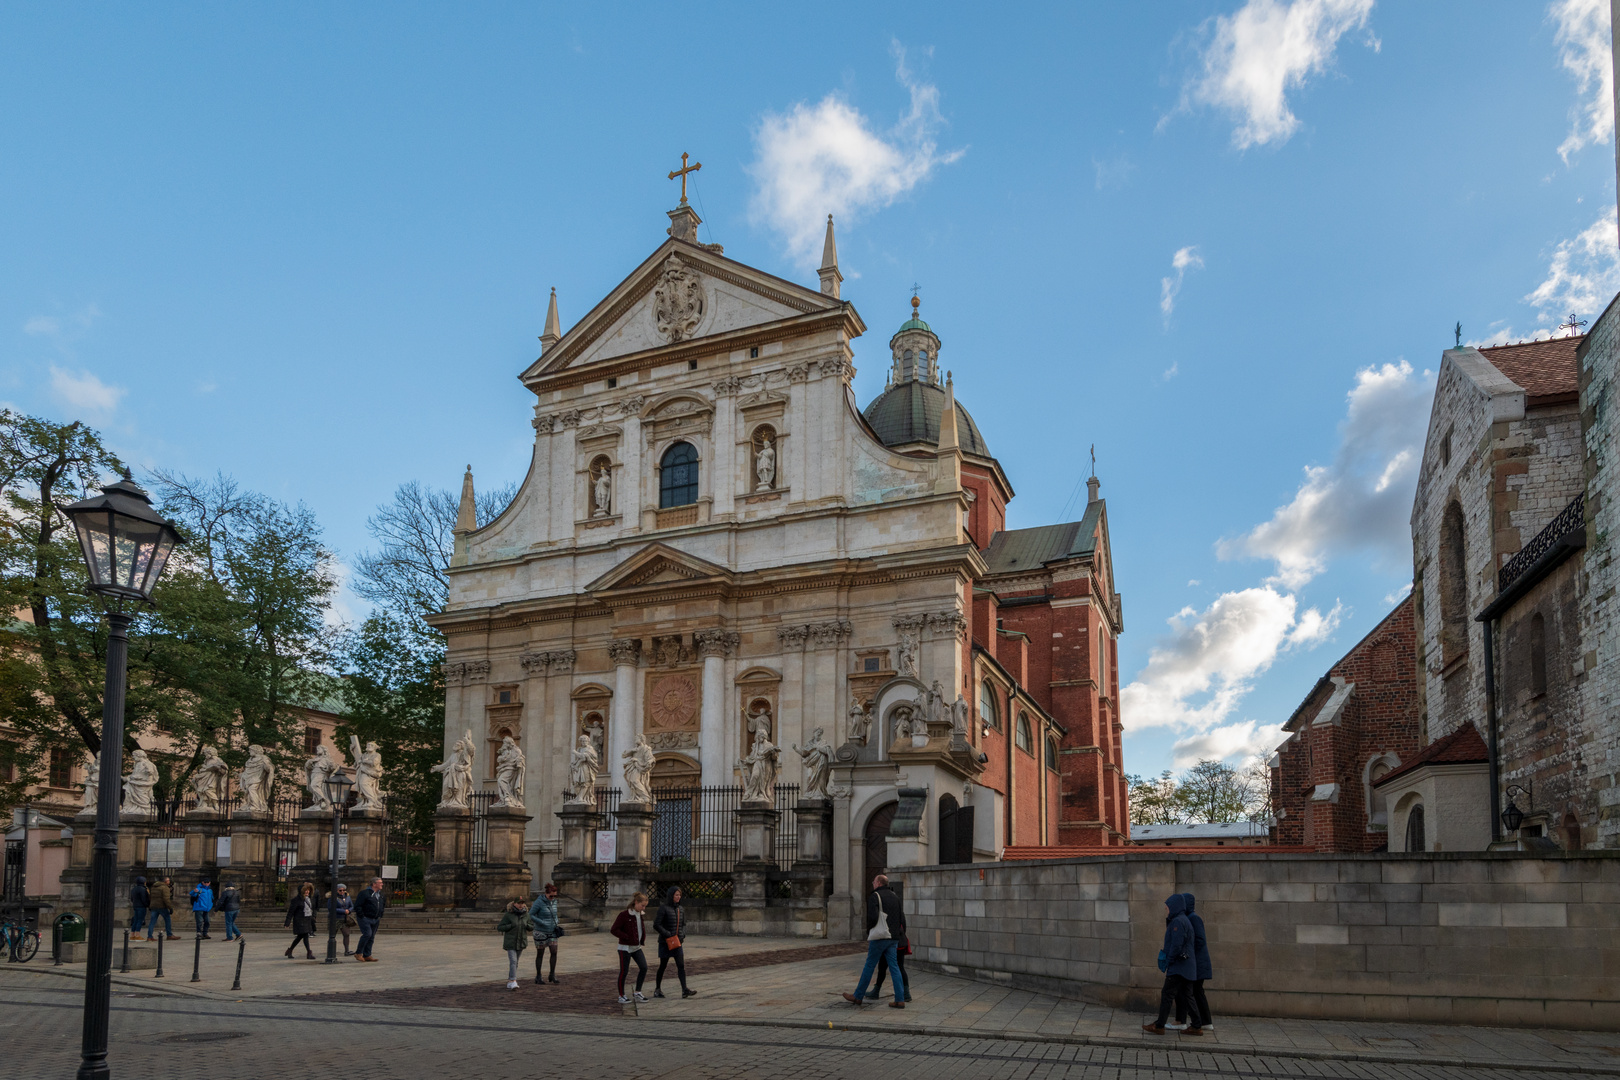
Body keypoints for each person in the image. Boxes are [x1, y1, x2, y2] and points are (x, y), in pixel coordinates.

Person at [842, 874, 906, 1009]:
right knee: (894, 968)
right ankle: (900, 999)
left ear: (878, 883)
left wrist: (869, 931)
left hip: (880, 937)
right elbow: (902, 918)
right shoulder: (895, 897)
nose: (872, 883)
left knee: (869, 965)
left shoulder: (875, 896)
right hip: (893, 937)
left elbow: (873, 917)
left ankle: (858, 996)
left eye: (873, 881)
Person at [1143, 893, 1201, 1036]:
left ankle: (1159, 1025)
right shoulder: (1183, 920)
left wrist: (1168, 961)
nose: (1166, 910)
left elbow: (1176, 945)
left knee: (1167, 994)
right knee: (1188, 995)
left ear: (1174, 907)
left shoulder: (1177, 922)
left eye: (1167, 907)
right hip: (1187, 966)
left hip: (1179, 967)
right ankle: (1196, 1025)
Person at [1170, 892, 1214, 1032]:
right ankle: (1203, 1021)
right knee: (1194, 991)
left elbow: (1199, 941)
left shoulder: (1193, 918)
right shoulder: (1189, 917)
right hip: (1196, 962)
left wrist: (1187, 954)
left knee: (1192, 991)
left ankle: (1197, 1021)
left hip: (1197, 963)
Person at [868, 892, 912, 1003]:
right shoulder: (898, 907)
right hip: (898, 940)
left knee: (885, 967)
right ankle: (905, 993)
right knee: (898, 967)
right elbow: (904, 924)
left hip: (889, 941)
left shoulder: (886, 909)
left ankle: (877, 991)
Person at [653, 887, 696, 999]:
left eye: (679, 895)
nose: (678, 897)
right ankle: (657, 989)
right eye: (676, 895)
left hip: (677, 942)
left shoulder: (681, 909)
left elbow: (683, 924)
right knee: (663, 966)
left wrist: (682, 935)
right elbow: (656, 925)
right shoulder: (663, 908)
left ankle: (684, 989)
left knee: (681, 966)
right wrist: (668, 934)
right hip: (665, 942)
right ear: (671, 895)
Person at [609, 892, 650, 1004]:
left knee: (644, 967)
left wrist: (641, 940)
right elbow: (614, 929)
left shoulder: (640, 914)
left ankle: (637, 992)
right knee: (624, 971)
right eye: (642, 905)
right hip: (625, 948)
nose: (644, 908)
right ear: (636, 902)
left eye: (645, 906)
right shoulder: (624, 915)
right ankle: (621, 995)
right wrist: (626, 937)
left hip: (636, 947)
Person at [527, 882, 562, 985]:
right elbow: (531, 915)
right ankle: (538, 975)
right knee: (540, 953)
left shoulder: (554, 902)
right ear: (546, 893)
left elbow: (555, 913)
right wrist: (542, 922)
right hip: (540, 931)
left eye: (555, 896)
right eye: (551, 895)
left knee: (554, 951)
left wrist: (556, 921)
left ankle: (552, 974)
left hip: (552, 930)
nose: (553, 897)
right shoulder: (539, 902)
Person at [497, 897, 531, 991]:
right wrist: (510, 926)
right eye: (519, 903)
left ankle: (510, 981)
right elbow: (500, 927)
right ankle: (513, 981)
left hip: (521, 941)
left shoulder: (526, 915)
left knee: (515, 962)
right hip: (511, 942)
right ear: (514, 904)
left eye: (522, 903)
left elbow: (531, 925)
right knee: (513, 961)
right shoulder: (508, 915)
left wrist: (528, 926)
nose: (521, 905)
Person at [354, 876, 386, 962]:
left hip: (376, 918)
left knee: (371, 936)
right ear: (374, 884)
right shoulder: (364, 893)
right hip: (365, 918)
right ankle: (358, 953)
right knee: (367, 934)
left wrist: (380, 914)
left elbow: (383, 905)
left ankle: (367, 954)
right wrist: (362, 915)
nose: (382, 884)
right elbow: (358, 905)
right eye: (380, 882)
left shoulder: (381, 894)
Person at [283, 882, 318, 960]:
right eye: (305, 890)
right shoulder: (296, 900)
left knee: (300, 937)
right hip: (299, 921)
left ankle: (290, 950)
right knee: (305, 936)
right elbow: (291, 912)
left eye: (308, 890)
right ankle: (309, 953)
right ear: (301, 891)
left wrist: (313, 917)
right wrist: (287, 923)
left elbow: (312, 909)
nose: (307, 892)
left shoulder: (309, 899)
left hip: (307, 920)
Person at [333, 884, 355, 956]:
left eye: (343, 890)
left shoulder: (347, 897)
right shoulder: (333, 897)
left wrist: (349, 910)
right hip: (336, 918)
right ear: (337, 890)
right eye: (340, 890)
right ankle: (331, 950)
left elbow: (351, 906)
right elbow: (332, 908)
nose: (342, 892)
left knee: (346, 934)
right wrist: (343, 911)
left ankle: (347, 950)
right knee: (333, 935)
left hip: (345, 918)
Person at [128, 877, 150, 941]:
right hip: (141, 906)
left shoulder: (134, 889)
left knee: (135, 920)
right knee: (140, 920)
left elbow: (132, 898)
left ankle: (132, 935)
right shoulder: (143, 889)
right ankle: (137, 935)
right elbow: (144, 899)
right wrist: (147, 904)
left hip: (135, 906)